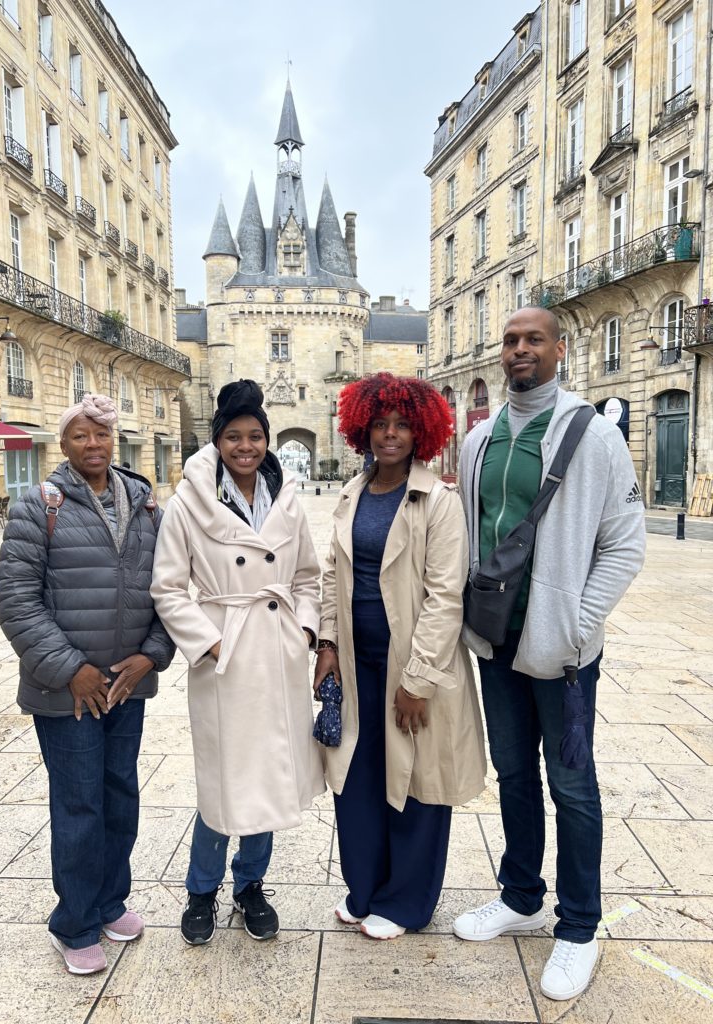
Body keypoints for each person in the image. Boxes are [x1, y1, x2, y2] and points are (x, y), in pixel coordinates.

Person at [453, 307, 645, 1000]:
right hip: (497, 640)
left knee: (572, 786)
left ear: (561, 349)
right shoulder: (477, 441)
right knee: (512, 774)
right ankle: (521, 895)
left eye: (534, 339)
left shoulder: (592, 435)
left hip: (562, 651)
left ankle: (579, 927)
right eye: (510, 341)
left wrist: (577, 625)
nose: (520, 350)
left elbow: (626, 543)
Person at [0, 393, 175, 975]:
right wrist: (71, 669)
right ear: (64, 443)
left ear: (113, 440)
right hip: (66, 689)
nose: (93, 445)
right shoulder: (38, 505)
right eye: (80, 436)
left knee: (120, 796)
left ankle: (108, 900)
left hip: (125, 684)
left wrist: (152, 656)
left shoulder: (146, 505)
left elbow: (172, 591)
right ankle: (73, 923)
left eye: (101, 435)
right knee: (79, 804)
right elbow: (16, 601)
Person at [150, 379, 324, 945]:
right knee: (224, 782)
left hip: (276, 649)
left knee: (270, 777)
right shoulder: (188, 504)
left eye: (255, 436)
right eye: (233, 436)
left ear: (267, 440)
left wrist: (302, 630)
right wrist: (211, 642)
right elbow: (169, 588)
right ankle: (201, 890)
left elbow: (307, 578)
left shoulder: (289, 499)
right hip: (225, 655)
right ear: (217, 441)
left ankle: (251, 886)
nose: (245, 446)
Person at [315, 373, 486, 940]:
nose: (390, 435)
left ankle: (407, 903)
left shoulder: (437, 502)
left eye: (402, 425)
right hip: (357, 665)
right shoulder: (351, 492)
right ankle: (364, 890)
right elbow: (332, 576)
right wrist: (328, 644)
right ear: (363, 428)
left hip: (411, 668)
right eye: (381, 424)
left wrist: (417, 680)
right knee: (356, 780)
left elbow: (445, 598)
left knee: (415, 783)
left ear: (421, 433)